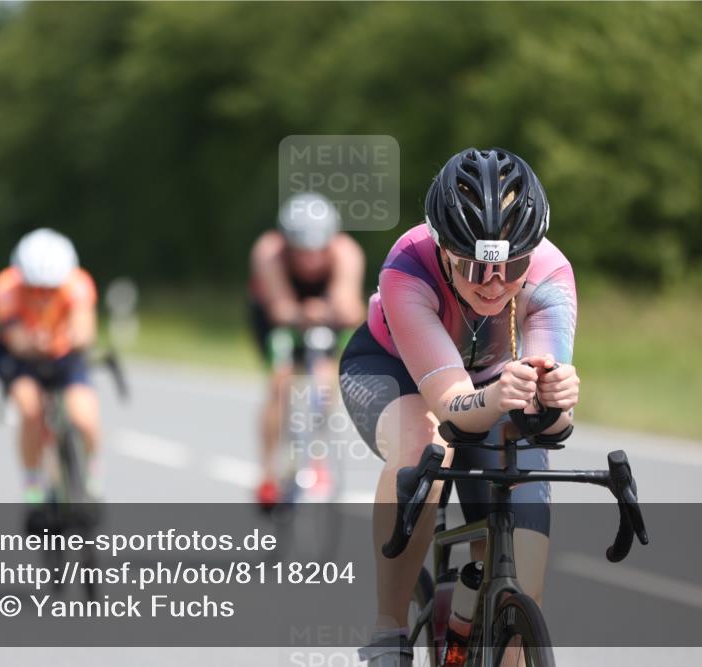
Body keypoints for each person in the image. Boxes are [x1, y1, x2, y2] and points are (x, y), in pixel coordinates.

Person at [339, 148, 580, 666]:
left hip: (494, 384)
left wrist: (557, 401)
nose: (494, 283)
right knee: (424, 446)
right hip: (395, 371)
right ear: (444, 249)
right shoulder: (407, 265)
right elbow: (450, 405)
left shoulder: (551, 273)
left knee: (521, 587)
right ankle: (389, 630)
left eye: (511, 266)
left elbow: (547, 419)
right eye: (475, 266)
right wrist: (497, 397)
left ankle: (471, 620)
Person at [248, 192, 366, 508]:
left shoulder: (346, 252)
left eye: (317, 251)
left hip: (325, 315)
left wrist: (327, 310)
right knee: (280, 382)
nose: (310, 261)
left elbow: (350, 308)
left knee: (325, 380)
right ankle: (268, 473)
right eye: (301, 252)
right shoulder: (268, 251)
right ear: (287, 244)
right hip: (278, 316)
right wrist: (303, 314)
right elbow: (279, 309)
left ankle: (315, 455)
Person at [0, 228, 101, 504]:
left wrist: (71, 338)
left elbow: (85, 331)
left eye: (51, 289)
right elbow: (17, 340)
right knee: (30, 410)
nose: (43, 295)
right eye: (35, 288)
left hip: (65, 355)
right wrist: (35, 344)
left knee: (84, 418)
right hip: (23, 359)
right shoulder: (4, 287)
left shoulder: (78, 284)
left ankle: (91, 472)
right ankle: (32, 483)